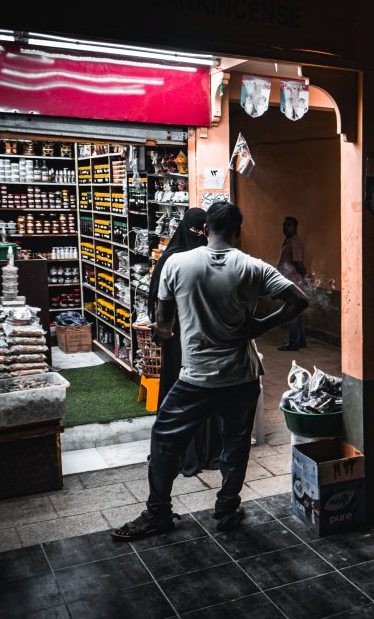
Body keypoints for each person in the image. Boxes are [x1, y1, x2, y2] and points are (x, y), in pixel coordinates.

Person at [112, 203, 309, 540]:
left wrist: (173, 329)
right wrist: (261, 326)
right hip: (242, 376)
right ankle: (227, 507)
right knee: (234, 444)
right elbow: (299, 300)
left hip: (196, 379)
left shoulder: (177, 263)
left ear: (205, 230)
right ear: (238, 231)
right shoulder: (253, 267)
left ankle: (158, 512)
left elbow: (162, 324)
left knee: (164, 441)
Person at [146, 208, 221, 477]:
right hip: (179, 339)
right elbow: (158, 305)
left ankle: (197, 450)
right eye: (194, 232)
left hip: (197, 340)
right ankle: (182, 450)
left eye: (202, 232)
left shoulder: (204, 260)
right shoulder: (173, 261)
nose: (198, 237)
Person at [277, 216, 308, 351]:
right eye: (285, 225)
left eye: (289, 225)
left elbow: (299, 263)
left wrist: (304, 276)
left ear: (295, 228)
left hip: (293, 282)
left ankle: (294, 343)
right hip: (290, 281)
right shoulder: (289, 241)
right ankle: (300, 340)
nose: (286, 228)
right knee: (297, 312)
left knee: (292, 311)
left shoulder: (294, 242)